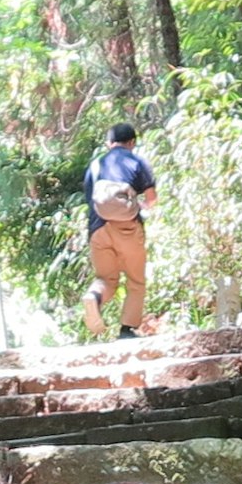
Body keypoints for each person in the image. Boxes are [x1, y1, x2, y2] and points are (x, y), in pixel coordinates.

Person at [80, 119, 155, 339]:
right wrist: (137, 206)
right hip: (128, 229)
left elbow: (90, 199)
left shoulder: (95, 165)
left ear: (109, 143)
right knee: (135, 280)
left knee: (106, 280)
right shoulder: (137, 162)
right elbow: (151, 199)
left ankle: (94, 296)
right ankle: (127, 330)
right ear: (132, 142)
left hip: (98, 230)